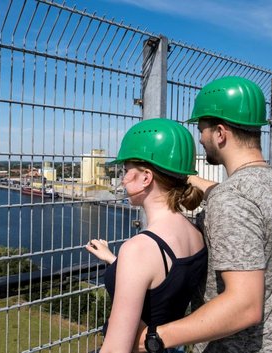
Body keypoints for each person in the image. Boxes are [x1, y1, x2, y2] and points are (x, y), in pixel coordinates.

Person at [134, 76, 272, 352]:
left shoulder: (232, 200)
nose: (200, 138)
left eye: (202, 130)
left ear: (220, 133)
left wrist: (155, 337)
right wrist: (185, 180)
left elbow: (244, 306)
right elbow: (234, 199)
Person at [85, 118, 208, 353]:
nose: (121, 179)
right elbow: (162, 283)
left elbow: (116, 349)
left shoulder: (140, 249)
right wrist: (114, 261)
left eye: (126, 170)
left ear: (146, 177)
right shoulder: (195, 233)